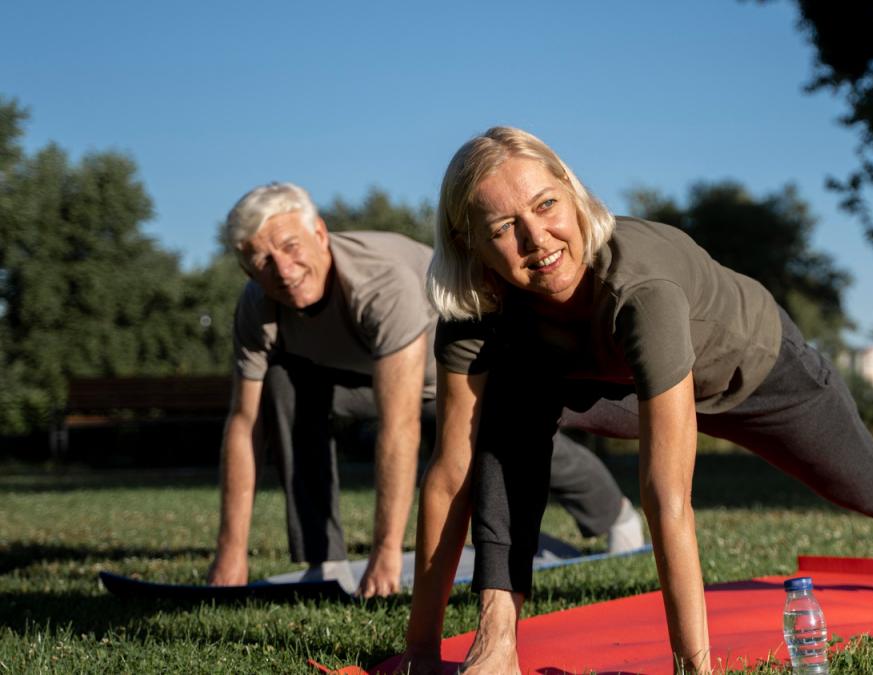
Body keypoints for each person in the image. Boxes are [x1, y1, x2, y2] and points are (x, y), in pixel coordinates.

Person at [405, 127, 873, 673]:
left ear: (571, 191)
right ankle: (497, 638)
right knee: (508, 413)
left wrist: (694, 667)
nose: (537, 239)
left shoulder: (640, 290)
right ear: (470, 243)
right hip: (611, 386)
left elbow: (667, 496)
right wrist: (422, 653)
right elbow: (451, 471)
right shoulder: (476, 310)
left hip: (755, 372)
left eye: (545, 206)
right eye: (504, 229)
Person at [206, 182, 643, 599]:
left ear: (319, 233)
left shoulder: (380, 280)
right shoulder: (256, 307)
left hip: (456, 375)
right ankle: (322, 560)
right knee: (282, 386)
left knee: (511, 440)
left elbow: (398, 426)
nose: (283, 270)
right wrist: (230, 552)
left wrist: (386, 555)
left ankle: (614, 513)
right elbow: (245, 425)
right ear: (247, 268)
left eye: (290, 246)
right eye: (262, 261)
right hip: (370, 375)